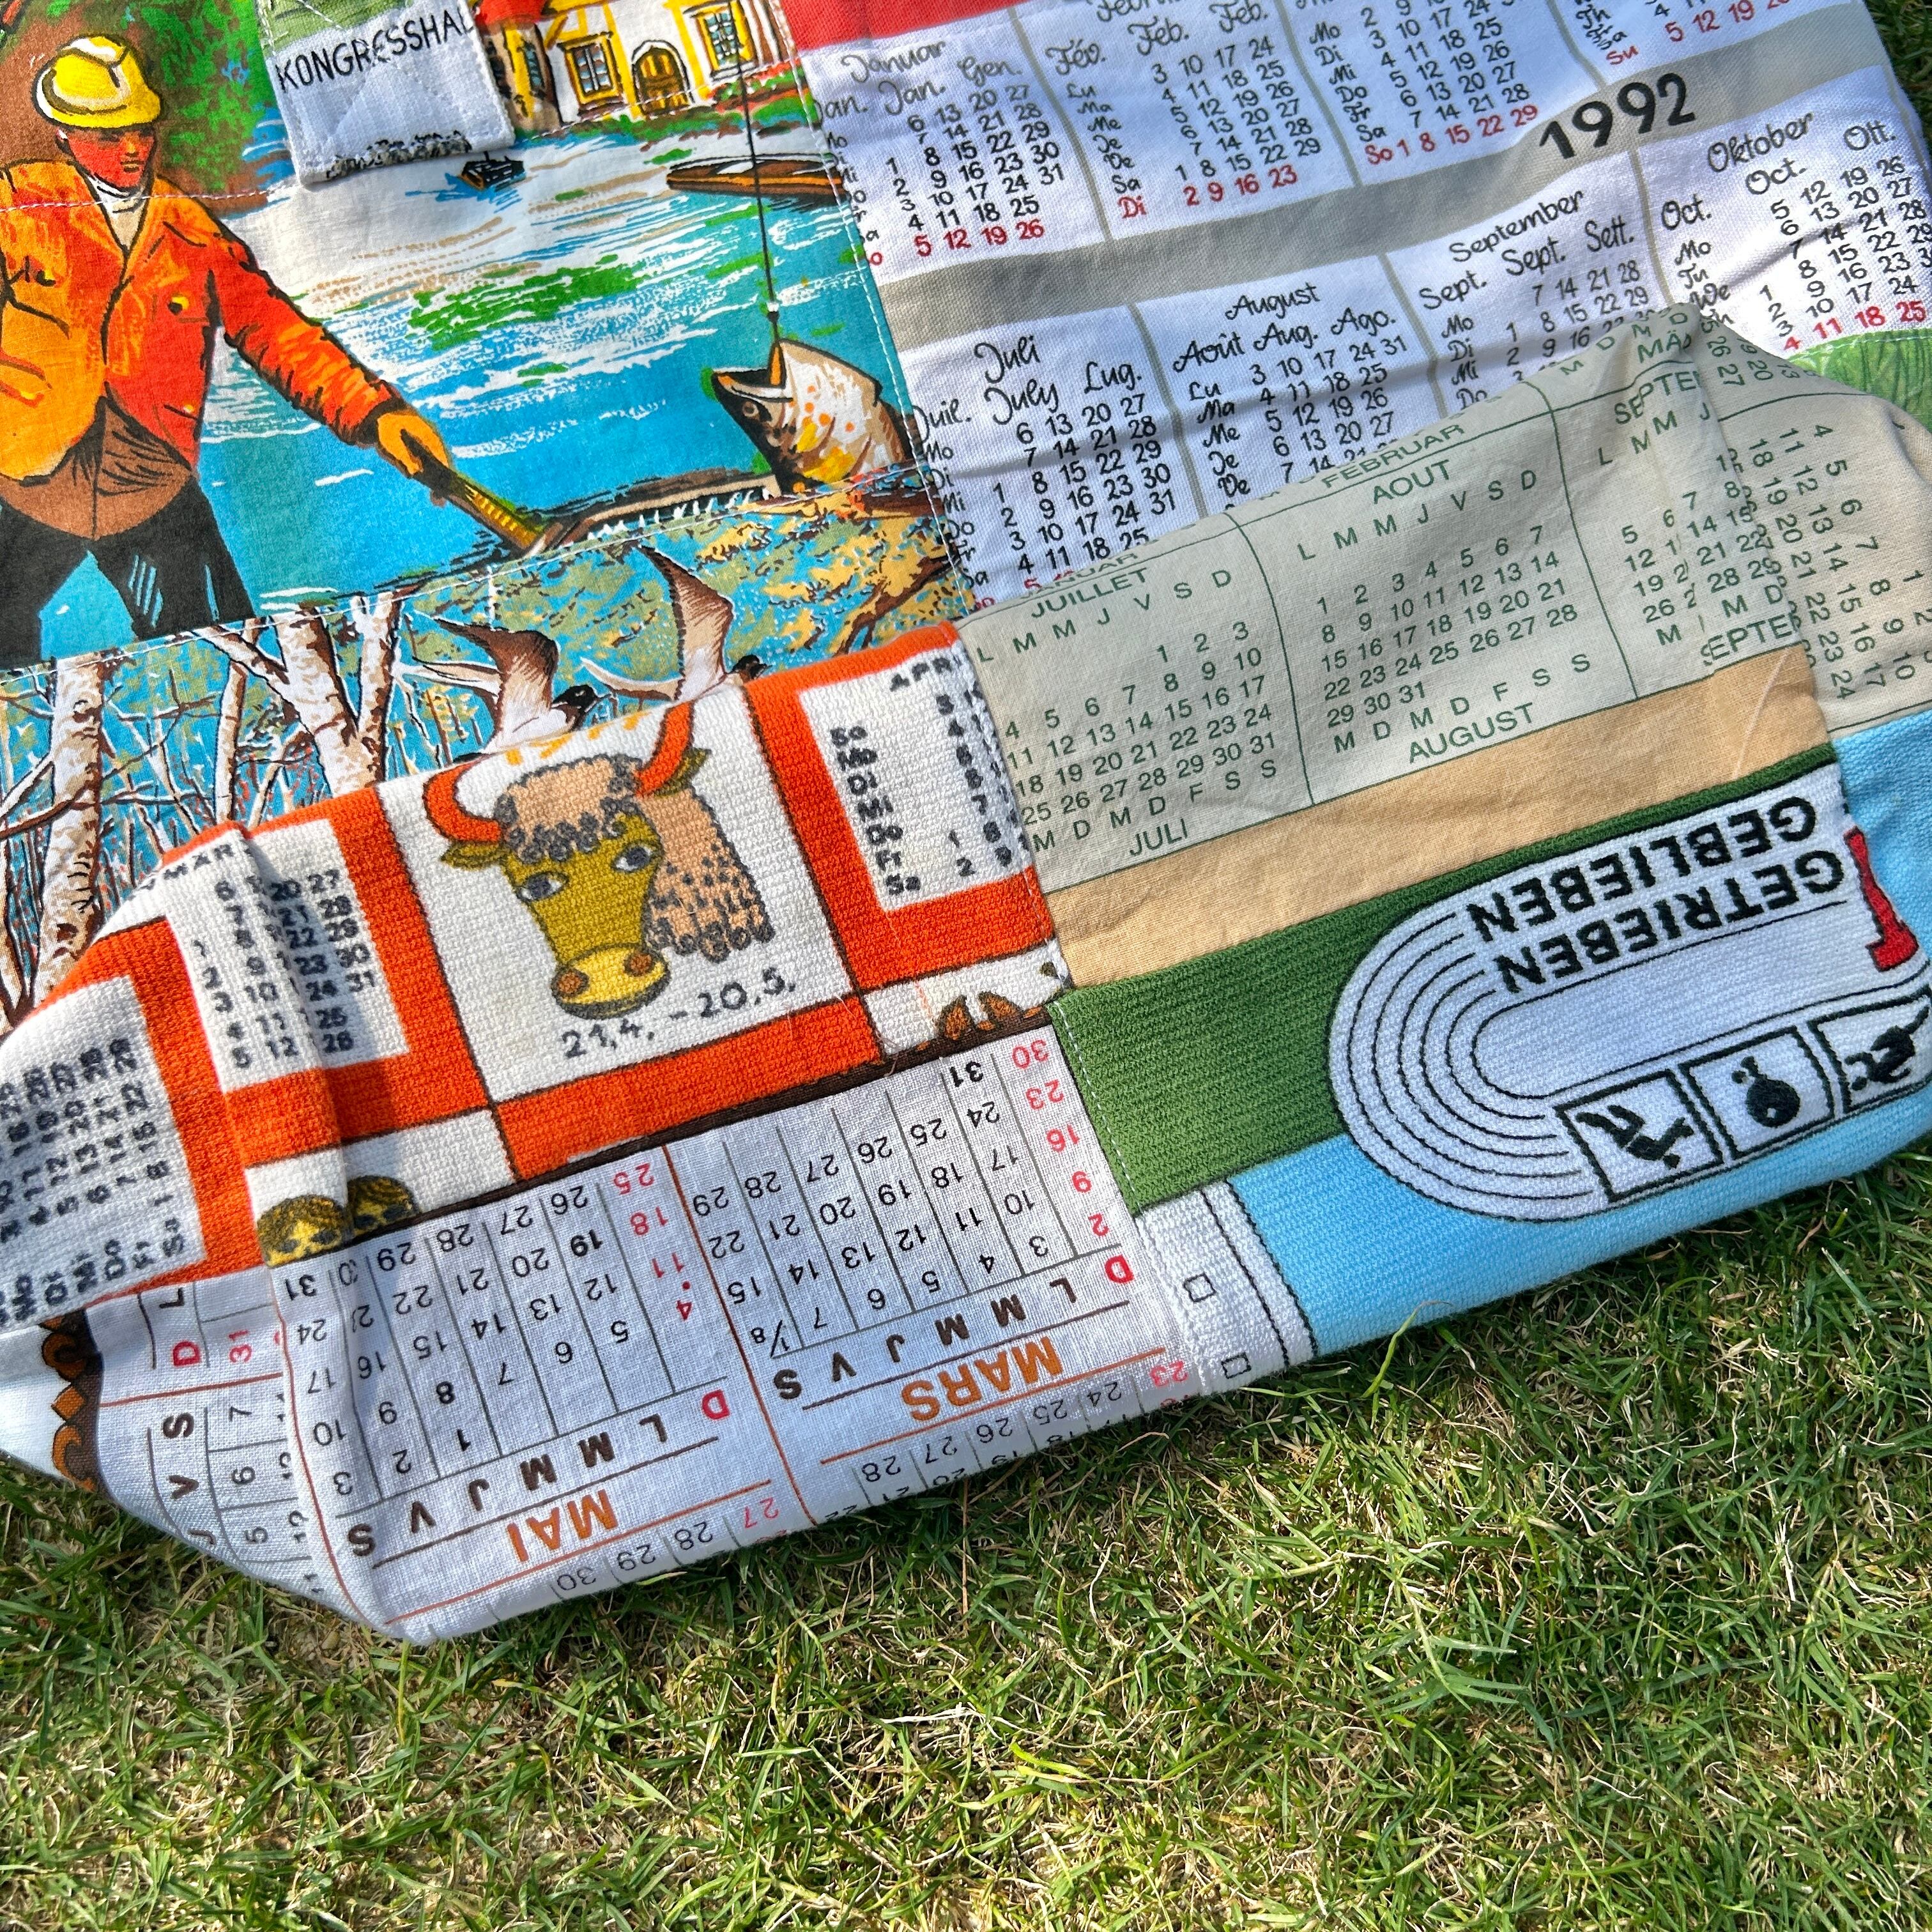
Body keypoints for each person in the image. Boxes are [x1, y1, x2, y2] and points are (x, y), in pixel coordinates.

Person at [0, 36, 453, 666]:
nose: (132, 149)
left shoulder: (190, 232)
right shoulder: (18, 206)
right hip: (31, 475)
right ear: (66, 137)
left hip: (149, 478)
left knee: (228, 649)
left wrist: (376, 414)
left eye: (141, 131)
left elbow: (276, 331)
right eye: (109, 136)